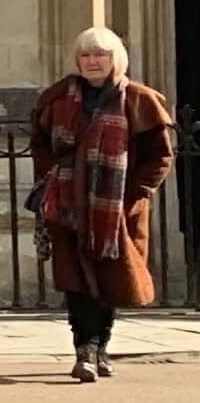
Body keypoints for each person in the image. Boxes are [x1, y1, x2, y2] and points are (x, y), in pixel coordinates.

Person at [33, 27, 175, 382]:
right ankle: (85, 348)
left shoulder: (139, 99)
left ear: (116, 59)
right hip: (69, 206)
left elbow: (159, 156)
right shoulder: (56, 99)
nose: (93, 61)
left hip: (117, 209)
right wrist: (55, 180)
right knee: (76, 280)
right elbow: (40, 144)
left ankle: (101, 346)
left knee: (111, 280)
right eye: (86, 55)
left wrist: (134, 196)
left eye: (101, 55)